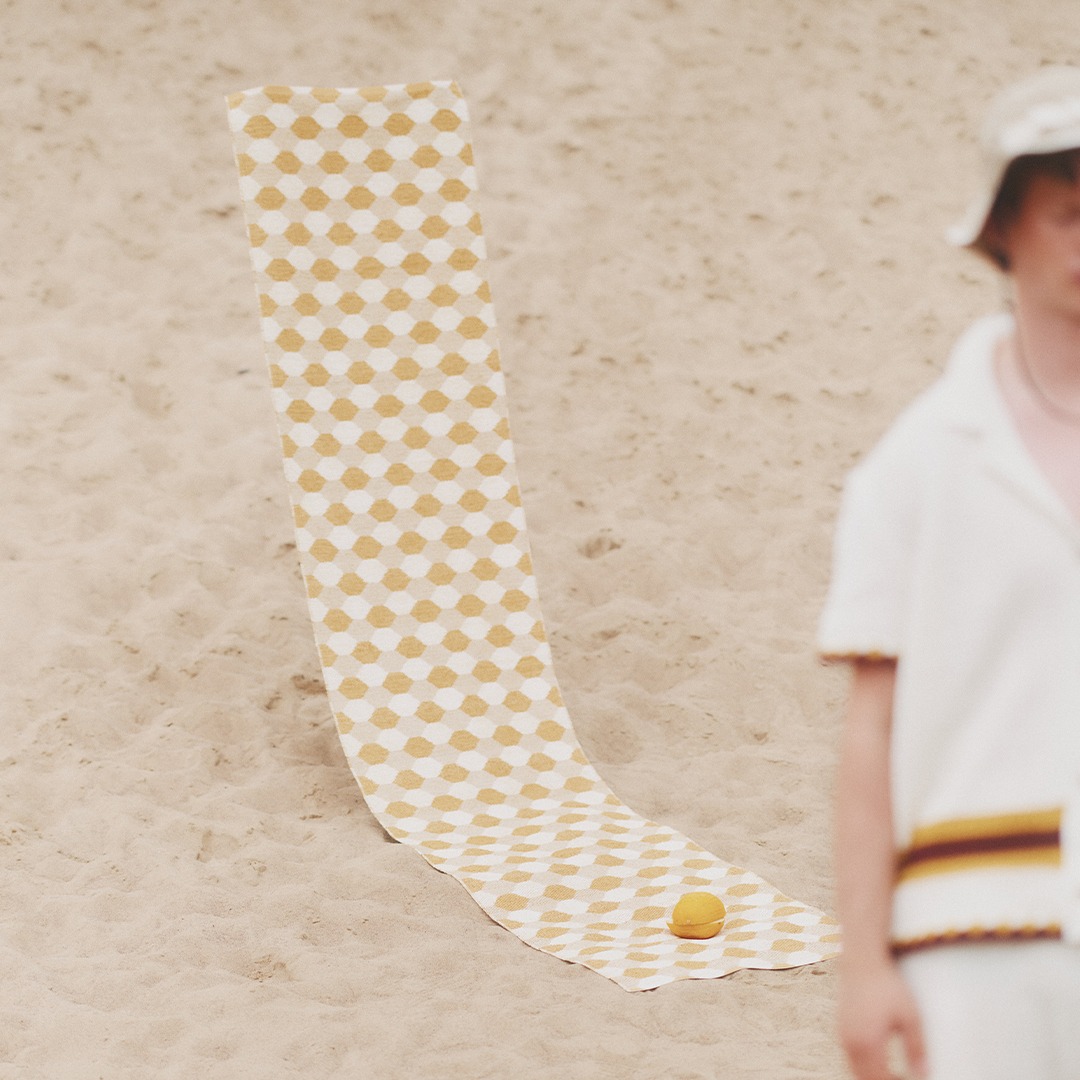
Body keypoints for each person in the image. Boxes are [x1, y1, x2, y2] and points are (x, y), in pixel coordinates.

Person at [820, 65, 1080, 1080]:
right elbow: (867, 733)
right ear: (1003, 230)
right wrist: (863, 967)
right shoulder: (917, 463)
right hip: (970, 938)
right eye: (1067, 210)